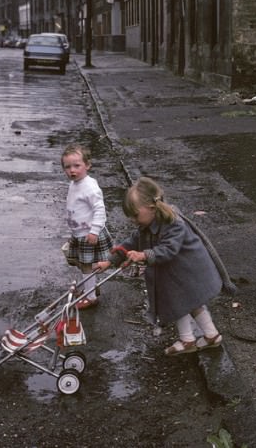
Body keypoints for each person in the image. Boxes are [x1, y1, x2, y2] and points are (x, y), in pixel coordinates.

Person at [109, 177, 224, 356]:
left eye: (135, 215)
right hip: (178, 273)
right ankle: (211, 335)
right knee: (189, 303)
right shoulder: (147, 223)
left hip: (188, 272)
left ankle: (188, 340)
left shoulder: (174, 223)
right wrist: (111, 260)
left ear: (152, 208)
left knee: (180, 303)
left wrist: (144, 255)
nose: (132, 220)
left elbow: (168, 249)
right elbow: (132, 241)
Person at [61, 143, 112, 309]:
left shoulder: (89, 186)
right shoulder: (75, 184)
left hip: (88, 233)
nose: (72, 170)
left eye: (77, 165)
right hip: (79, 232)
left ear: (87, 165)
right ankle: (90, 287)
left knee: (86, 265)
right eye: (67, 167)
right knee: (82, 263)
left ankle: (90, 297)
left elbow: (99, 209)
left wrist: (94, 231)